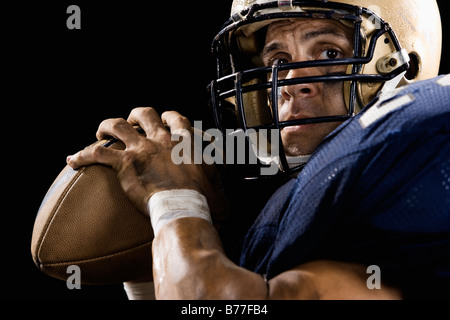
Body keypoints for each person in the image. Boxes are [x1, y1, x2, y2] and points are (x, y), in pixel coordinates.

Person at [67, 0, 450, 300]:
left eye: (329, 52)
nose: (290, 82)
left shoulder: (423, 140)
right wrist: (165, 249)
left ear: (405, 65)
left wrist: (174, 201)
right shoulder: (315, 191)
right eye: (279, 60)